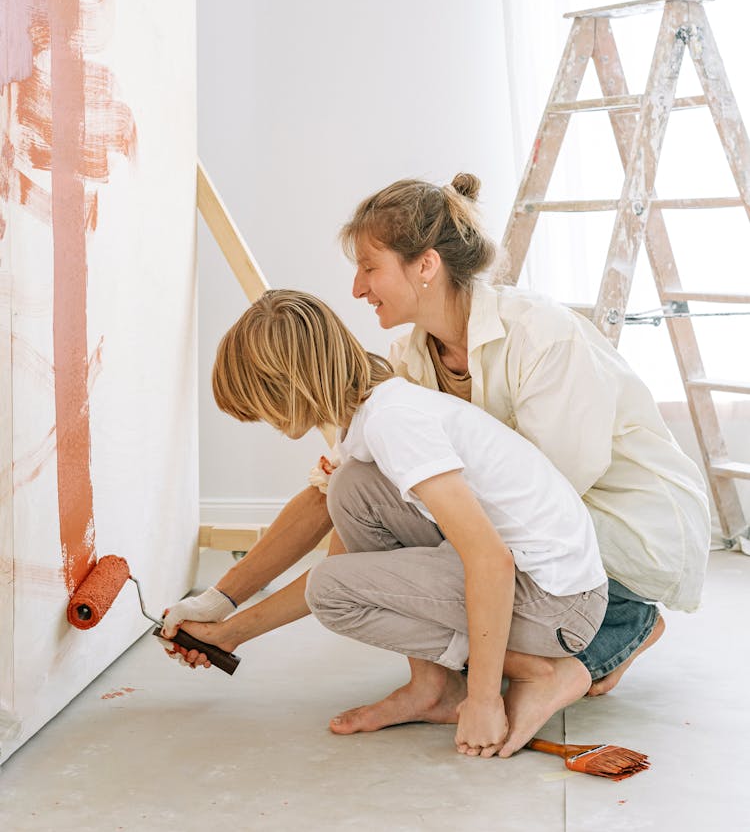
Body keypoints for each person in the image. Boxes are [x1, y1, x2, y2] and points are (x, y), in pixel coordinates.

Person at [163, 173, 711, 701]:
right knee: (360, 490)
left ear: (425, 265)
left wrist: (380, 585)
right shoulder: (405, 365)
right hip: (524, 535)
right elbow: (330, 497)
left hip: (615, 525)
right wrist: (221, 603)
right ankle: (455, 678)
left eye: (369, 267)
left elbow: (548, 493)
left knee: (452, 563)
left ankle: (619, 623)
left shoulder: (541, 335)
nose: (356, 288)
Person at [173, 289, 609, 758]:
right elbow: (342, 546)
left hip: (559, 607)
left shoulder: (393, 423)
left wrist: (484, 700)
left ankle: (534, 671)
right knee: (351, 489)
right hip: (545, 586)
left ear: (289, 384)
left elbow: (490, 560)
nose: (262, 420)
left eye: (260, 404)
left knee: (330, 589)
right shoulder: (374, 416)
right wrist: (223, 619)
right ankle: (432, 687)